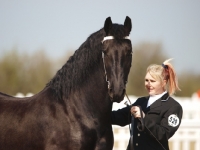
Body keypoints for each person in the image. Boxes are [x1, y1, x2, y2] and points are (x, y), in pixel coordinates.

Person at [111, 59, 183, 150]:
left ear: (163, 82)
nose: (148, 84)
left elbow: (163, 134)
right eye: (146, 80)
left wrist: (143, 118)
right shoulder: (141, 101)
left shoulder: (173, 107)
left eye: (152, 81)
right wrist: (97, 113)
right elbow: (120, 117)